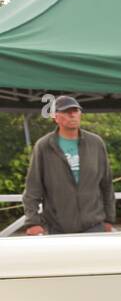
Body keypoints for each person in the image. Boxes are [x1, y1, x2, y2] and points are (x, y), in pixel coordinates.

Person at [22, 95, 115, 235]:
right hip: (58, 227)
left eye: (76, 111)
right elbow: (33, 187)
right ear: (55, 117)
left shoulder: (96, 143)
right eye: (66, 111)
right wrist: (33, 222)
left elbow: (106, 184)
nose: (72, 115)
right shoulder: (44, 146)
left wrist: (109, 219)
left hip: (94, 225)